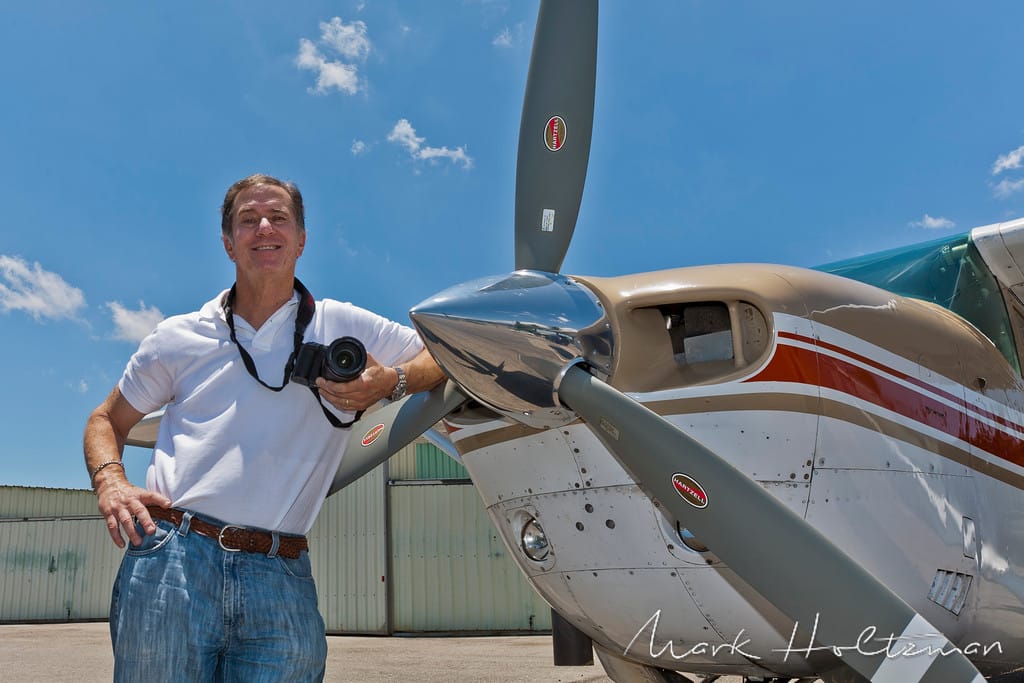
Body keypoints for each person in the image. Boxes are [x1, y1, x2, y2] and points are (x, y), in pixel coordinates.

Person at [83, 173, 445, 681]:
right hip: (174, 558)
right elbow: (106, 418)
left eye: (278, 217)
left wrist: (393, 380)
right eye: (247, 220)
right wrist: (111, 482)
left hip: (281, 568)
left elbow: (446, 357)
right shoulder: (178, 336)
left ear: (301, 240)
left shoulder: (343, 323)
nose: (264, 227)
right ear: (229, 243)